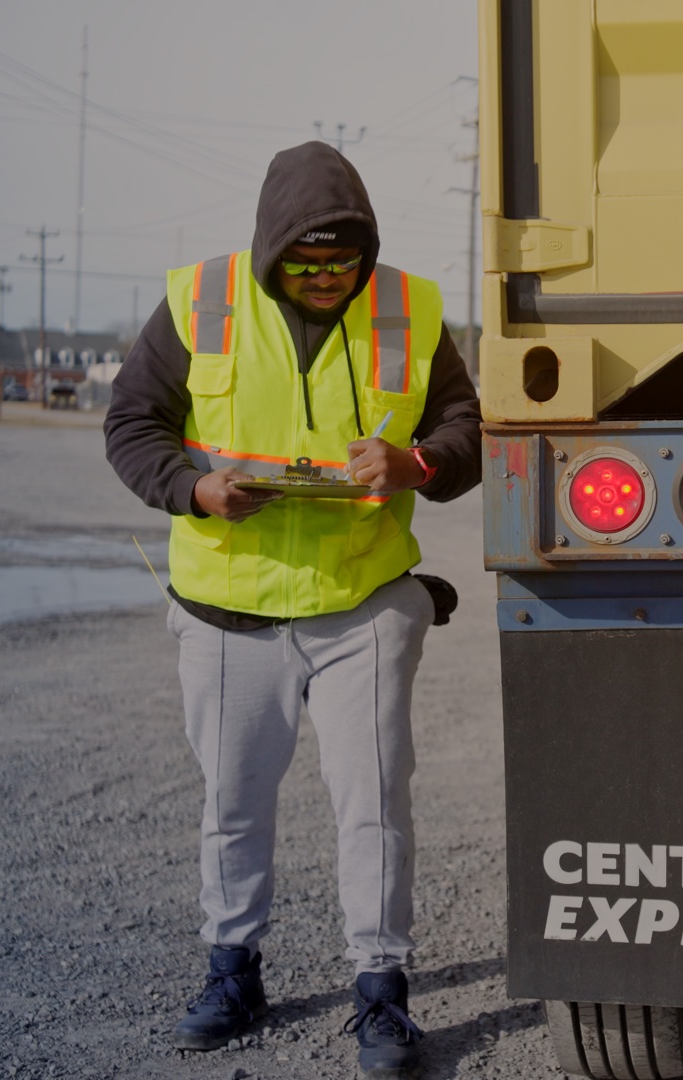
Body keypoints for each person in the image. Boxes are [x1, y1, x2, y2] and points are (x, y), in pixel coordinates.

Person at [104, 142, 481, 1077]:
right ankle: (233, 972)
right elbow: (130, 424)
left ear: (365, 251)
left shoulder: (412, 305)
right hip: (229, 607)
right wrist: (194, 490)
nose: (325, 280)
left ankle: (382, 993)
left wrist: (416, 464)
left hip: (364, 602)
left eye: (341, 263)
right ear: (271, 250)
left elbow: (466, 432)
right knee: (233, 804)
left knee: (375, 805)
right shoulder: (202, 301)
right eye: (306, 265)